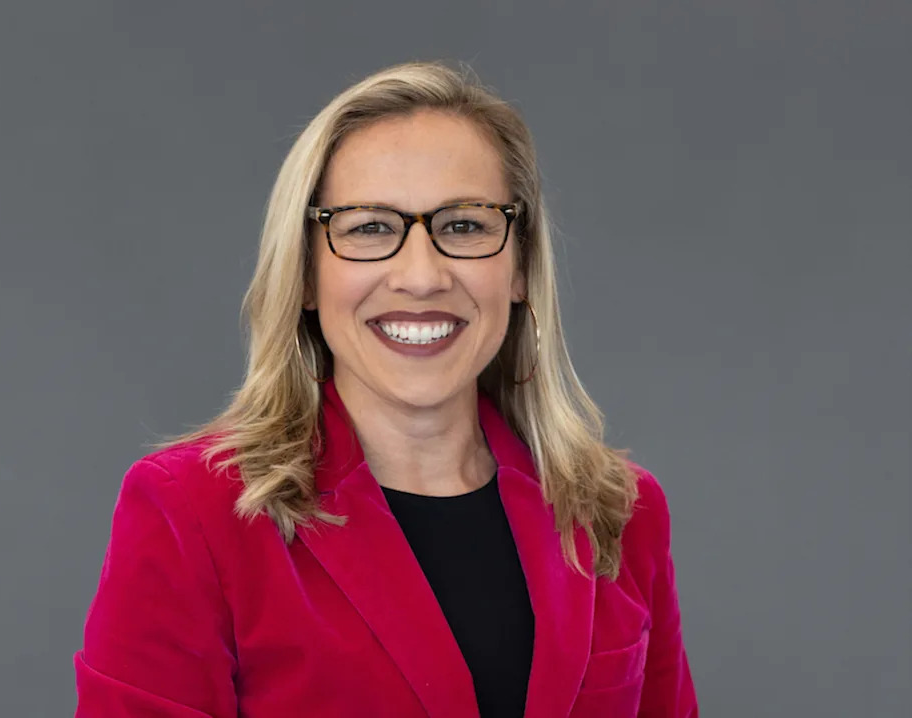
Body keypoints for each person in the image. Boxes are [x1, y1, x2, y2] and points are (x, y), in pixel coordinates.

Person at [73, 61, 698, 717]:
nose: (421, 276)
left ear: (518, 267)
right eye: (369, 227)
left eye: (464, 224)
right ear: (306, 275)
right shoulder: (193, 511)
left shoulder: (618, 513)